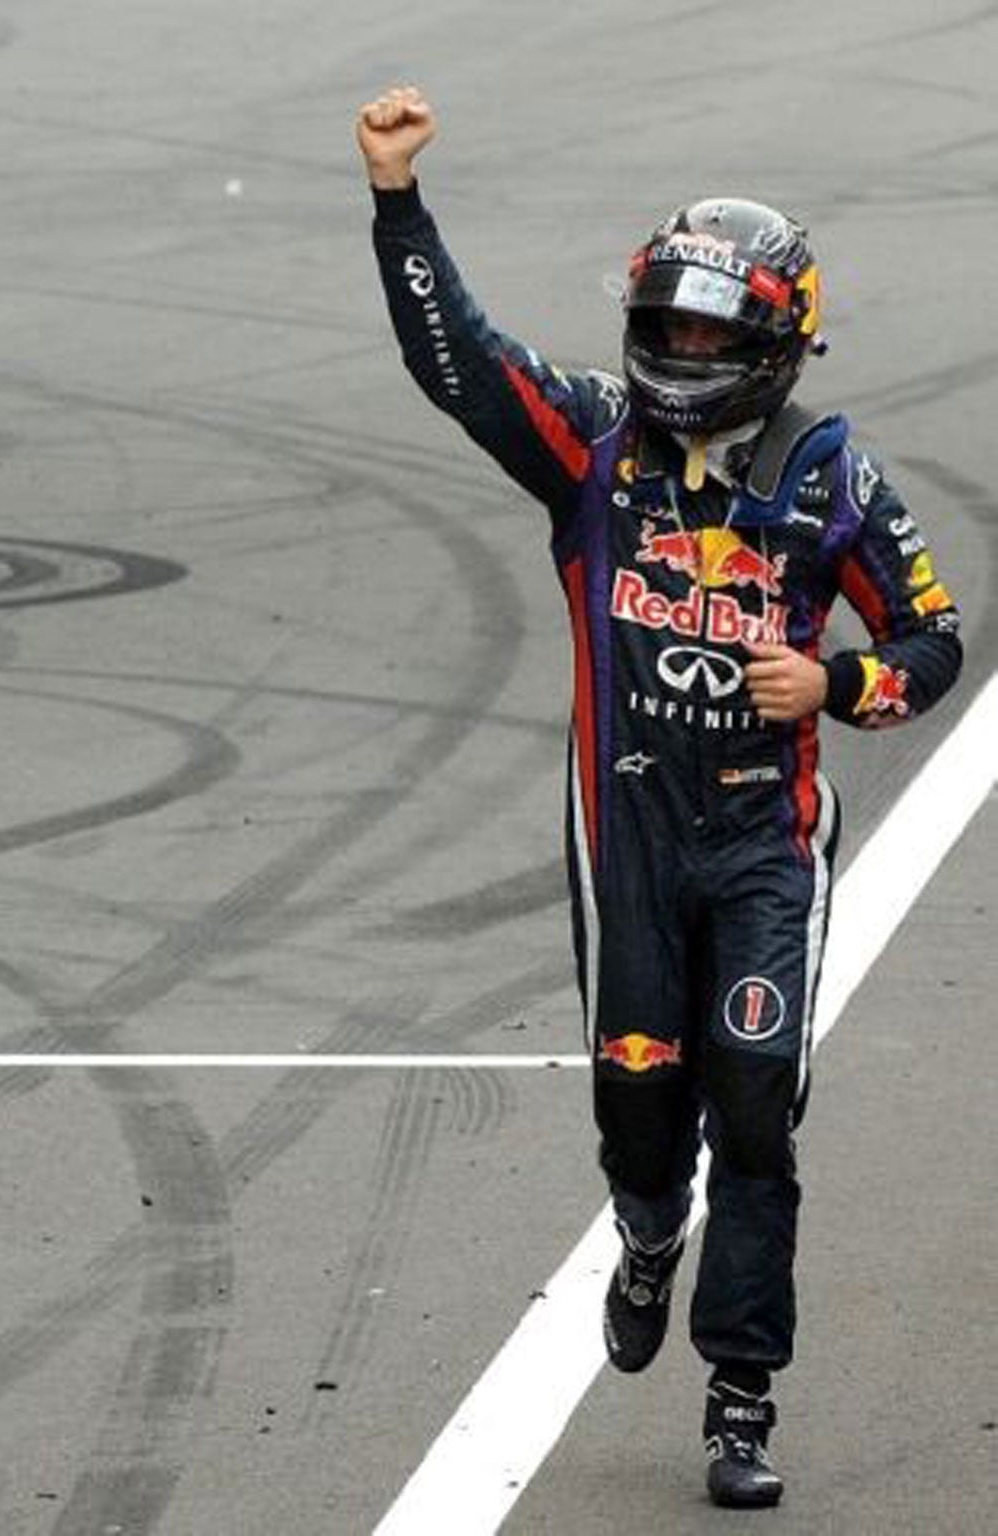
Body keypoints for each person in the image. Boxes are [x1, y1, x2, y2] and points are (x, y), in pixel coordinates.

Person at [355, 85, 964, 1508]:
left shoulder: (832, 477)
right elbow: (459, 365)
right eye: (668, 329)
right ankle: (643, 1229)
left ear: (774, 346)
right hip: (625, 840)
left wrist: (837, 685)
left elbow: (932, 639)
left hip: (763, 849)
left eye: (712, 336)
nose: (684, 354)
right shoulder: (589, 448)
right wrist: (396, 201)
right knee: (641, 1109)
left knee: (753, 1110)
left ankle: (740, 1397)